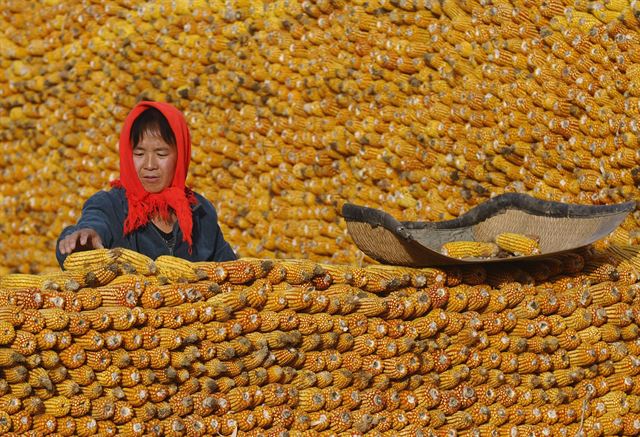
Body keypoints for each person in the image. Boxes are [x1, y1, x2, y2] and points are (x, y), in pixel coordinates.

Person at [56, 101, 236, 267]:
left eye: (161, 154)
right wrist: (81, 239)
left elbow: (229, 267)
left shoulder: (200, 212)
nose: (149, 165)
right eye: (139, 154)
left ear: (180, 156)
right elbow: (93, 224)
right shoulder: (110, 205)